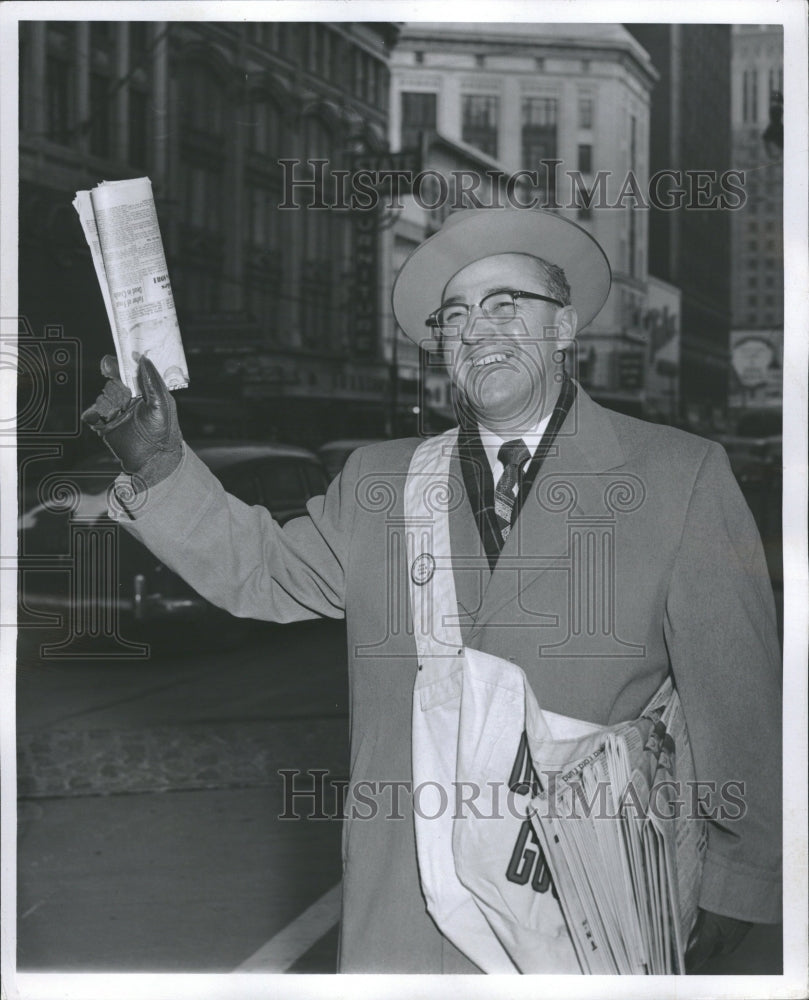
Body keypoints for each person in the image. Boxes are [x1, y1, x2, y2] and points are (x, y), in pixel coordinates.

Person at [82, 208, 781, 974]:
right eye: (455, 316)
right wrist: (158, 467)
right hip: (405, 914)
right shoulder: (380, 480)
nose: (478, 329)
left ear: (566, 326)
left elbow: (737, 696)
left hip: (586, 903)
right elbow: (268, 574)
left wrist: (738, 880)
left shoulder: (676, 475)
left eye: (506, 304)